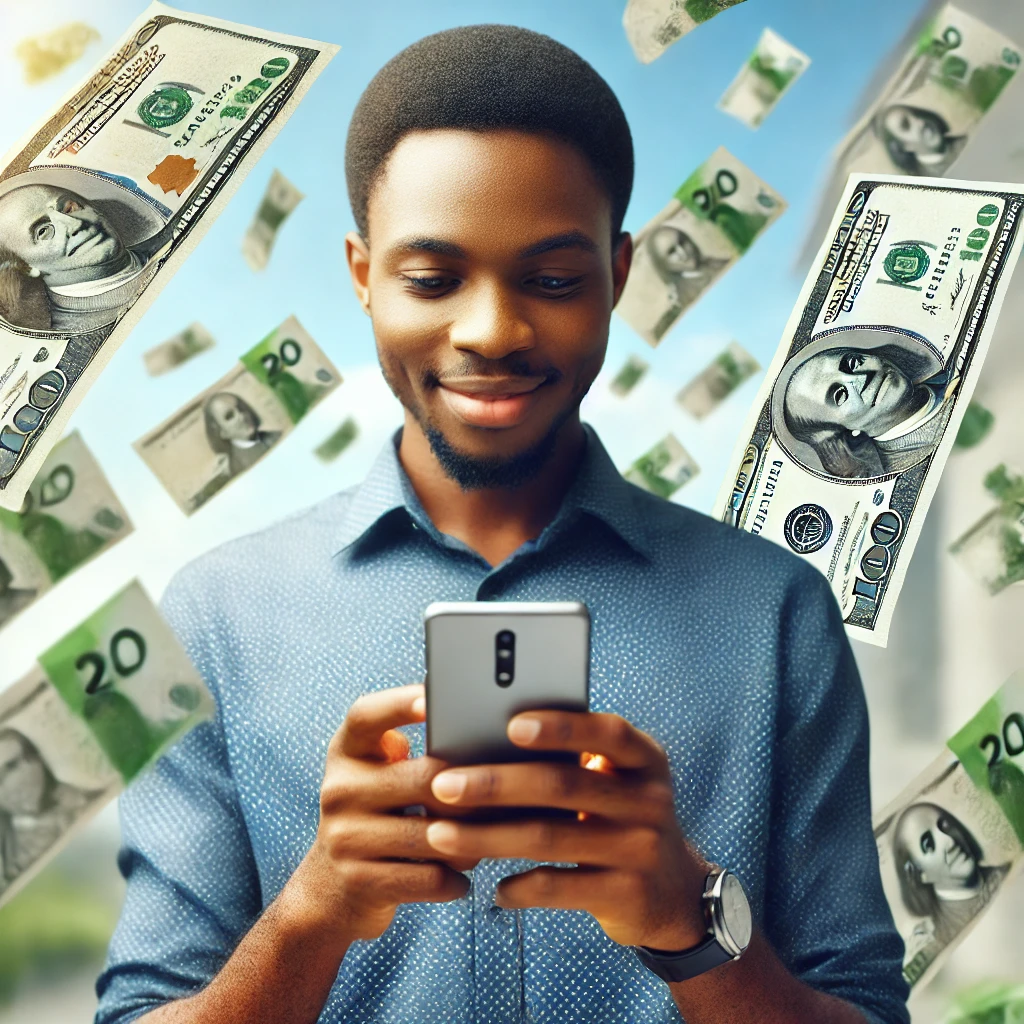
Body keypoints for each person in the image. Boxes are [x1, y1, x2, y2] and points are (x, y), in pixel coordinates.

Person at [94, 24, 910, 1024]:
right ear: (360, 274)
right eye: (432, 279)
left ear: (618, 272)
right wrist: (307, 917)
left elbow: (865, 1010)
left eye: (554, 279)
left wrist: (690, 925)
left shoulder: (774, 611)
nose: (490, 331)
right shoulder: (214, 615)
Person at [779, 327, 959, 480]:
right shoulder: (923, 465)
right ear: (847, 432)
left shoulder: (952, 362)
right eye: (840, 395)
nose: (863, 378)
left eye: (852, 363)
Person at [0, 183, 159, 333]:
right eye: (43, 231)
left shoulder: (171, 236)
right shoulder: (83, 339)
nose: (74, 223)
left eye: (69, 208)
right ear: (26, 267)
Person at [892, 802, 1009, 958]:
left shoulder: (1010, 872)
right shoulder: (943, 944)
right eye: (928, 844)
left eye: (945, 825)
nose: (949, 841)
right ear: (920, 875)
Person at [0, 727, 94, 891]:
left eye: (11, 767)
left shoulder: (84, 800)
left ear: (35, 758)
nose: (8, 785)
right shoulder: (8, 857)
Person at [646, 224, 729, 341]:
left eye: (682, 242)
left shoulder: (720, 264)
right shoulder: (681, 300)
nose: (683, 253)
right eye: (672, 252)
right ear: (663, 264)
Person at [203, 392, 282, 479]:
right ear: (222, 433)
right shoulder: (239, 467)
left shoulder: (275, 436)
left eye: (240, 408)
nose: (241, 416)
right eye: (229, 416)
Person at [873, 103, 966, 176]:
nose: (921, 122)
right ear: (904, 147)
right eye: (906, 125)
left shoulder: (966, 142)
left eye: (916, 115)